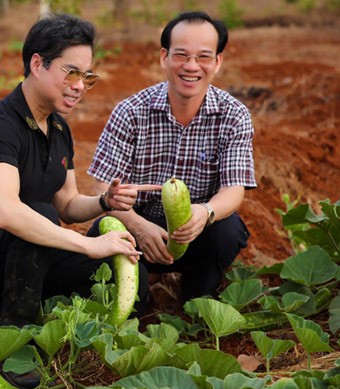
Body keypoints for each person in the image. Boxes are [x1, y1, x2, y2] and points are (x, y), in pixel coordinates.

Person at [0, 13, 160, 336]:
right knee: (39, 213)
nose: (79, 86)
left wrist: (105, 201)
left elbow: (68, 205)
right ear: (36, 64)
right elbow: (5, 213)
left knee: (126, 269)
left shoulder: (58, 127)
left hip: (33, 255)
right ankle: (16, 336)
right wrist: (87, 246)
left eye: (87, 76)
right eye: (71, 72)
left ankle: (85, 342)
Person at [88, 11, 256, 306]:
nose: (191, 66)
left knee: (228, 231)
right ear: (164, 57)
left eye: (204, 57)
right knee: (104, 233)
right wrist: (137, 224)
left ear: (217, 62)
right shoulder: (131, 112)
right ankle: (137, 301)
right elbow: (101, 187)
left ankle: (196, 297)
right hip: (137, 227)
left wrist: (205, 213)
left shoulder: (234, 115)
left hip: (196, 227)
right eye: (181, 55)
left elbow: (233, 190)